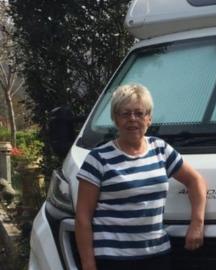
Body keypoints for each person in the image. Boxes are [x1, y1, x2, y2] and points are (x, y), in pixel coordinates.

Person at [75, 84, 207, 270]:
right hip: (113, 260)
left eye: (139, 113)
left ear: (149, 119)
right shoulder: (98, 159)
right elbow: (82, 217)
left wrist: (197, 223)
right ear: (115, 118)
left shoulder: (160, 149)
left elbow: (196, 181)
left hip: (156, 255)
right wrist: (88, 264)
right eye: (125, 113)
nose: (132, 119)